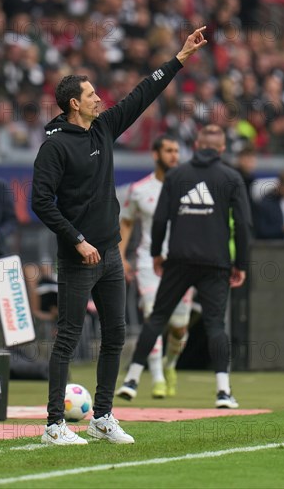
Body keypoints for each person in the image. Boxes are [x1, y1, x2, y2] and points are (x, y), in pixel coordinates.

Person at [31, 26, 208, 446]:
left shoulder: (103, 128)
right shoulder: (54, 147)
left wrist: (179, 58)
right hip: (79, 257)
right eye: (91, 95)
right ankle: (55, 425)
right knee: (69, 338)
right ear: (75, 104)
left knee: (115, 334)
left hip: (110, 252)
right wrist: (77, 240)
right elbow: (41, 201)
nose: (100, 99)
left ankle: (103, 416)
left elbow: (142, 94)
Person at [116, 125, 251, 409]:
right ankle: (223, 391)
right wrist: (240, 264)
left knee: (156, 319)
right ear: (222, 148)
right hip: (215, 263)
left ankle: (131, 379)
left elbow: (161, 219)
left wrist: (156, 254)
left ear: (197, 144)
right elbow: (243, 225)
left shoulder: (177, 176)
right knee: (216, 325)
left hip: (178, 260)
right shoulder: (231, 178)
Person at [116, 135, 192, 400]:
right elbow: (126, 223)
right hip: (148, 261)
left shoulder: (188, 188)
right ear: (155, 154)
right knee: (152, 316)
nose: (174, 155)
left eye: (176, 151)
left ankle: (170, 365)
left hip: (181, 262)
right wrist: (121, 255)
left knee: (179, 326)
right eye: (169, 150)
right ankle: (157, 377)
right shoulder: (139, 190)